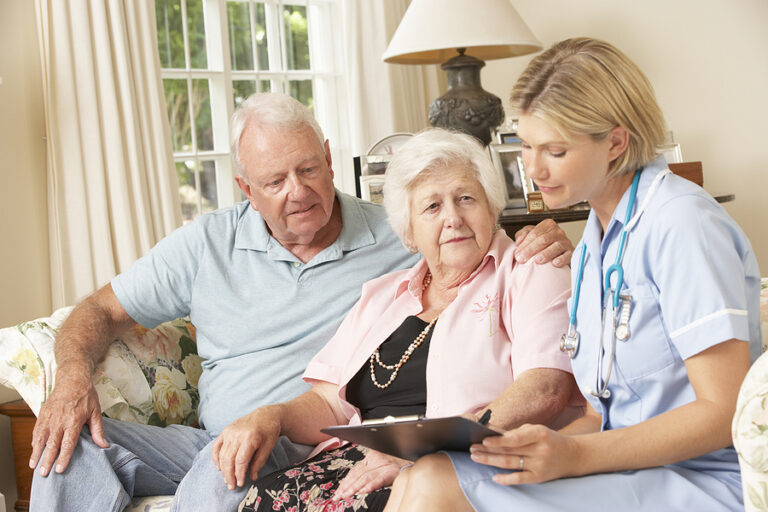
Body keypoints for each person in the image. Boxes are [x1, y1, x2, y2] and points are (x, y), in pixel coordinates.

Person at [27, 93, 574, 511]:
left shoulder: (398, 236)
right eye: (275, 180)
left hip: (297, 446)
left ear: (330, 159)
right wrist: (70, 382)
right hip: (227, 434)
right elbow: (97, 311)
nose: (299, 191)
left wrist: (548, 239)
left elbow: (538, 368)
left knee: (229, 468)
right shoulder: (213, 246)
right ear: (246, 189)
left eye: (309, 169)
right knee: (67, 444)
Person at [383, 37, 763, 512]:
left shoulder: (682, 224)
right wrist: (533, 446)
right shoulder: (592, 248)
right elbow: (598, 415)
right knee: (425, 474)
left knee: (437, 487)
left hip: (703, 478)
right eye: (526, 146)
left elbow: (722, 411)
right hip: (625, 468)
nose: (532, 169)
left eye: (555, 151)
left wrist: (575, 454)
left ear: (616, 143)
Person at [232, 128, 584, 512]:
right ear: (410, 233)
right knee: (262, 498)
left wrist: (420, 449)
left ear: (492, 207)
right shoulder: (384, 295)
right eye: (432, 207)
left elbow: (545, 390)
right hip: (362, 460)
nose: (453, 218)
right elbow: (331, 403)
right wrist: (274, 415)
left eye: (466, 199)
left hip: (463, 462)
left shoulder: (531, 268)